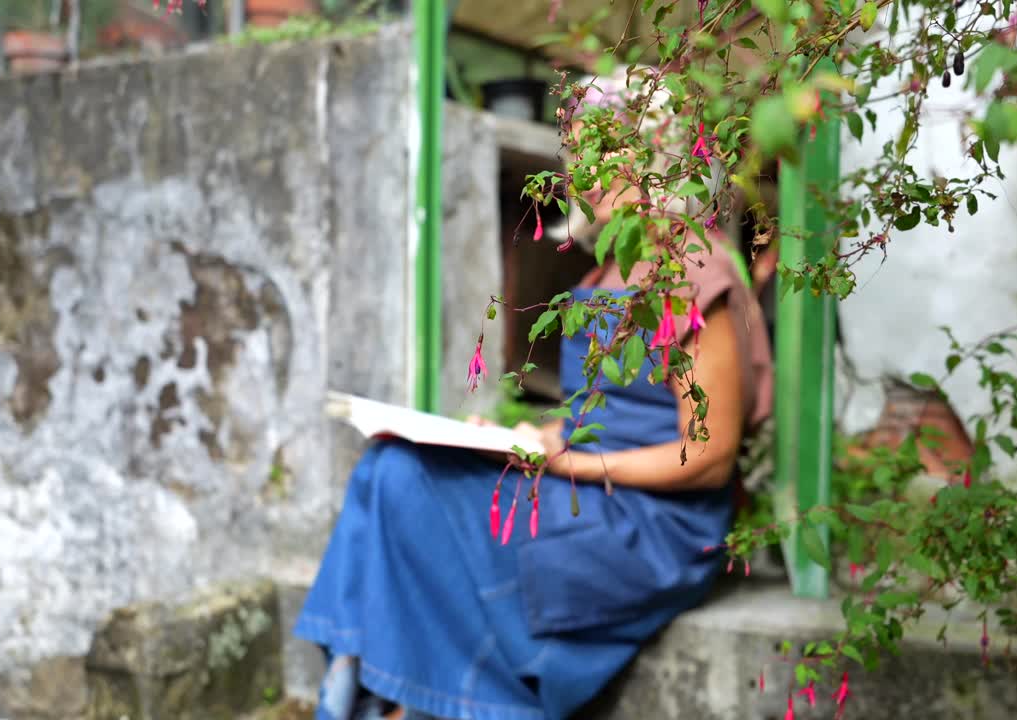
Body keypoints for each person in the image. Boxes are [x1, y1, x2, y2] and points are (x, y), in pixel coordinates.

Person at [293, 67, 773, 720]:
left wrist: (566, 462)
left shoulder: (694, 270)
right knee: (389, 466)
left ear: (655, 152)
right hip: (590, 483)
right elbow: (589, 420)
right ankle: (366, 698)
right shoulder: (607, 269)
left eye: (609, 150)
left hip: (653, 523)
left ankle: (423, 702)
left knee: (407, 485)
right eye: (579, 152)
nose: (587, 171)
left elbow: (708, 457)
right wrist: (513, 441)